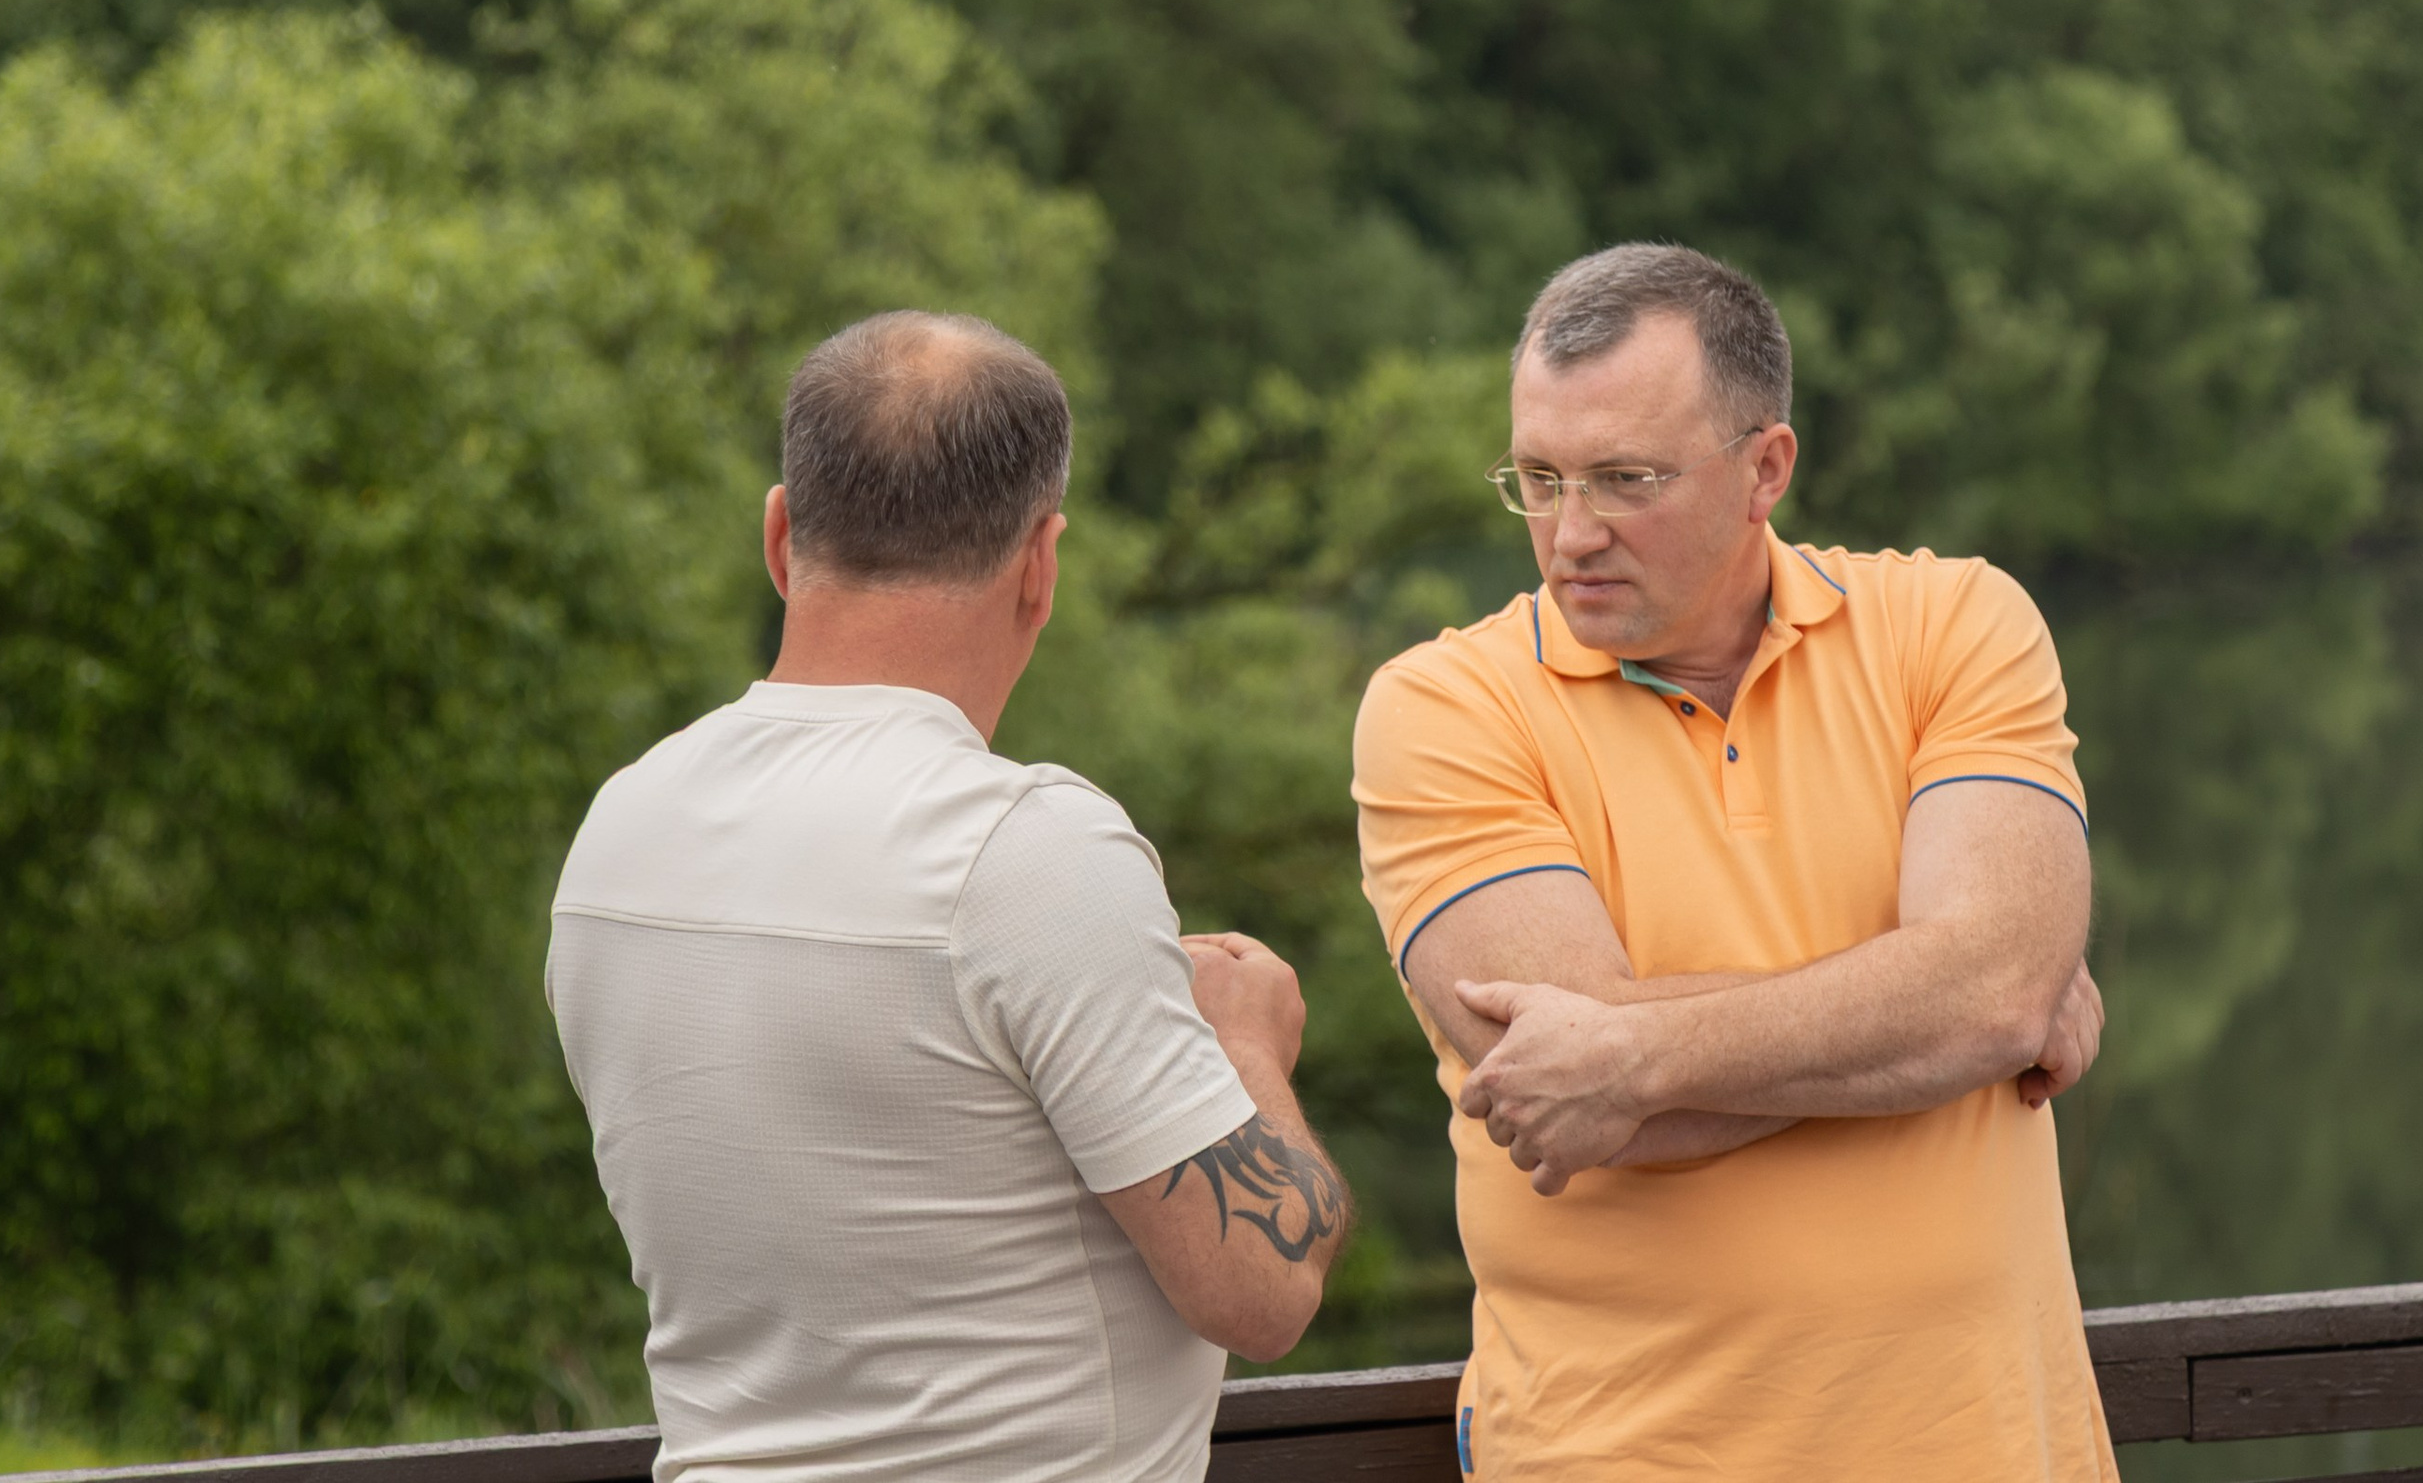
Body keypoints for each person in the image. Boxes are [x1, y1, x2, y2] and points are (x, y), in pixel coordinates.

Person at [1352, 244, 2115, 1483]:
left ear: (1766, 467)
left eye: (1624, 479)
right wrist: (1945, 1000)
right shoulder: (1441, 709)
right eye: (1537, 479)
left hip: (1983, 1448)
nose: (1570, 532)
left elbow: (1991, 991)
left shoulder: (1953, 622)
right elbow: (1561, 1093)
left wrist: (1636, 1051)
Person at [549, 311, 1349, 1483]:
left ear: (779, 536)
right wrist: (1247, 1049)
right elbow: (1263, 1290)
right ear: (1042, 563)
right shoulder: (1024, 848)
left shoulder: (619, 829)